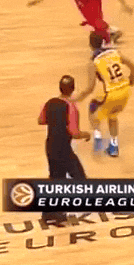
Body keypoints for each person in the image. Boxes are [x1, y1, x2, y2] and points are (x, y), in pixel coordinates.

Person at [72, 32, 134, 157]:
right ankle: (114, 146)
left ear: (90, 45)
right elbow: (132, 65)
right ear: (103, 42)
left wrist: (78, 99)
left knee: (93, 107)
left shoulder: (94, 62)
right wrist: (133, 78)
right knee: (112, 115)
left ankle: (98, 136)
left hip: (111, 94)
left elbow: (90, 88)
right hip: (125, 91)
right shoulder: (115, 53)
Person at [38, 75, 90, 223]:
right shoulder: (71, 107)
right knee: (79, 177)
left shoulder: (50, 102)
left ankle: (48, 213)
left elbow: (41, 120)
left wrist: (55, 120)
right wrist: (86, 134)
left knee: (55, 179)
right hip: (63, 148)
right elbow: (74, 132)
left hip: (50, 146)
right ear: (72, 89)